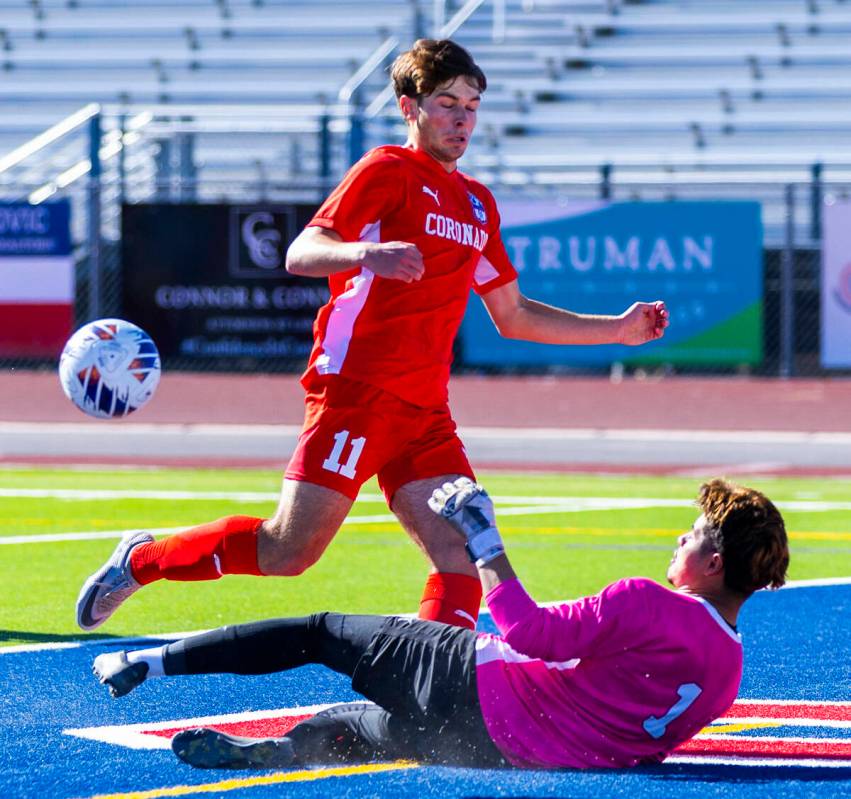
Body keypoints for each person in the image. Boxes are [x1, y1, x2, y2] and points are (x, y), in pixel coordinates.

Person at [76, 39, 669, 635]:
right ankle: (142, 560)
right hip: (356, 392)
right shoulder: (386, 170)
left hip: (425, 411)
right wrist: (367, 253)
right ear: (410, 108)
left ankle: (432, 701)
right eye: (446, 103)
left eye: (472, 104)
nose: (462, 119)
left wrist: (616, 330)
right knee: (290, 552)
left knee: (463, 558)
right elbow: (301, 251)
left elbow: (511, 315)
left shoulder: (478, 204)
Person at [92, 477, 788, 771]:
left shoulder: (649, 600)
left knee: (321, 629)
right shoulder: (727, 673)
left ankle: (152, 662)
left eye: (691, 534)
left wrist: (484, 540)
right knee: (358, 728)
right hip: (502, 749)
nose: (678, 539)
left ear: (713, 560)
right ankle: (278, 750)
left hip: (473, 685)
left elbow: (526, 632)